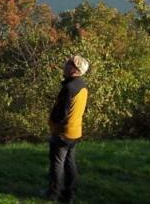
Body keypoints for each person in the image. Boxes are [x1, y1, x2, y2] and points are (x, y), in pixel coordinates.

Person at [47, 54, 89, 202]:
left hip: (62, 132)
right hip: (75, 132)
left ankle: (54, 194)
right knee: (70, 163)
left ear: (75, 69)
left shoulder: (69, 87)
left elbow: (61, 113)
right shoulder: (82, 86)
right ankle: (69, 194)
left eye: (69, 63)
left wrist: (52, 124)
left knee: (57, 164)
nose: (65, 65)